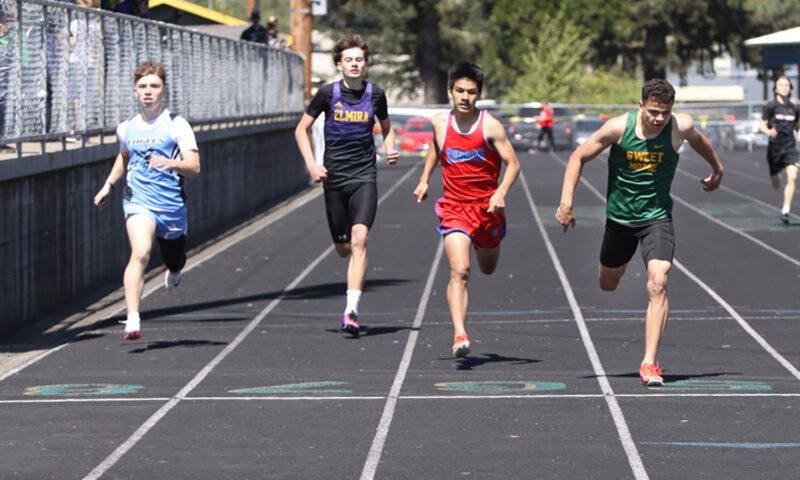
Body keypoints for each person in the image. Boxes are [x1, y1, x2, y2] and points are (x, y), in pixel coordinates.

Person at [555, 79, 723, 386]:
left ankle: (649, 362)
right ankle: (616, 266)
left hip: (656, 218)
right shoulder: (619, 128)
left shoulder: (679, 126)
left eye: (665, 112)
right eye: (653, 112)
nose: (659, 119)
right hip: (620, 220)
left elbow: (698, 140)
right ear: (640, 106)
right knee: (608, 283)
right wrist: (566, 203)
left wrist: (717, 168)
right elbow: (578, 156)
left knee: (658, 282)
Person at [413, 62, 520, 358]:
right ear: (450, 91)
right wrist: (424, 179)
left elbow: (513, 164)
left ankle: (489, 240)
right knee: (460, 270)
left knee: (487, 268)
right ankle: (460, 333)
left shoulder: (490, 126)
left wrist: (500, 192)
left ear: (479, 95)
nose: (464, 97)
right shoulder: (439, 122)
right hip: (454, 208)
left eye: (471, 92)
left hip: (487, 210)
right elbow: (436, 147)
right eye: (459, 90)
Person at [294, 34, 399, 338]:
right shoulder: (328, 94)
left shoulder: (376, 95)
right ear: (339, 64)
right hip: (334, 179)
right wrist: (312, 165)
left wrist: (390, 147)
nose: (354, 64)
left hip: (364, 175)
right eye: (349, 60)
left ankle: (351, 310)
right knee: (343, 249)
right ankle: (343, 254)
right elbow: (301, 130)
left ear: (365, 64)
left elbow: (387, 128)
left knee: (360, 239)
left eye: (359, 59)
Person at [93, 61, 200, 340]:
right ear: (135, 91)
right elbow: (124, 156)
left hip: (171, 206)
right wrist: (108, 185)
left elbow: (194, 167)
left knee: (174, 258)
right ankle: (132, 319)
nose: (148, 91)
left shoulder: (176, 125)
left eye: (154, 86)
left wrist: (171, 163)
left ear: (163, 90)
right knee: (140, 253)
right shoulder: (126, 128)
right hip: (138, 201)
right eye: (143, 86)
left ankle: (175, 268)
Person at [758, 75, 799, 224]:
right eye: (781, 85)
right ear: (775, 88)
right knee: (777, 184)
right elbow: (761, 125)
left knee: (793, 177)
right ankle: (775, 174)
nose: (784, 88)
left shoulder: (794, 108)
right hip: (775, 149)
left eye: (787, 85)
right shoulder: (771, 106)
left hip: (790, 148)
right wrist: (769, 132)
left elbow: (798, 127)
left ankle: (785, 211)